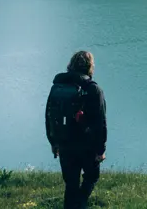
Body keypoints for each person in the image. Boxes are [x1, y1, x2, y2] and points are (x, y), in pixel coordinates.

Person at [45, 50, 107, 209]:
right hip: (87, 144)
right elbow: (100, 123)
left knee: (71, 184)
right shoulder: (93, 89)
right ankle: (80, 204)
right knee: (91, 177)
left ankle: (73, 205)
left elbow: (49, 115)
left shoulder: (58, 87)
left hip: (65, 143)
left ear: (70, 65)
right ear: (90, 67)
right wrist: (101, 150)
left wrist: (53, 142)